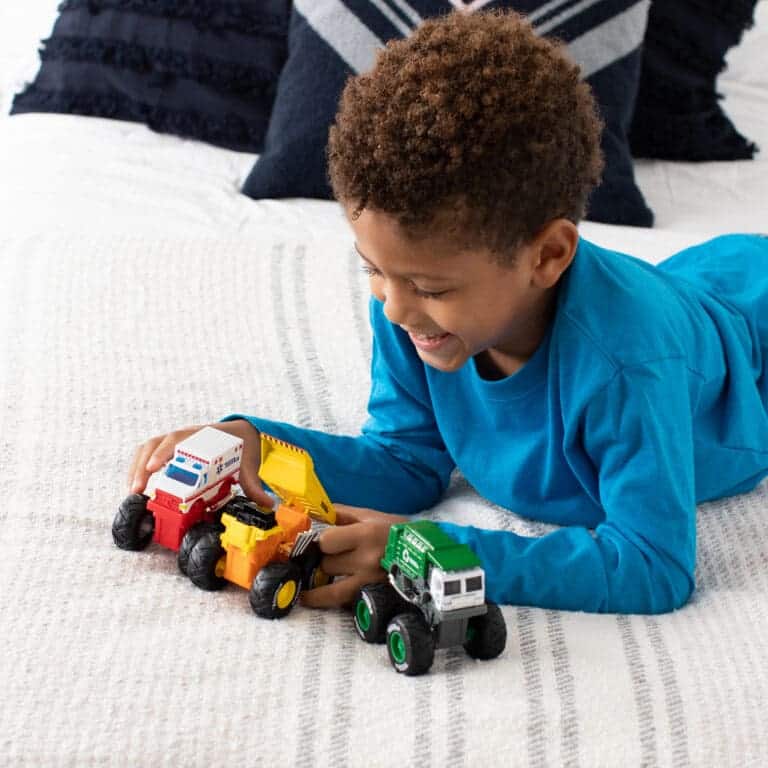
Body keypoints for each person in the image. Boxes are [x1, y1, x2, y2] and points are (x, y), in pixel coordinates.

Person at [127, 11, 768, 614]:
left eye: (431, 288)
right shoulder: (409, 305)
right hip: (694, 292)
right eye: (373, 270)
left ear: (546, 257)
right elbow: (406, 464)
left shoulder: (627, 366)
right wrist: (259, 447)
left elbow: (652, 566)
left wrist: (423, 550)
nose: (397, 308)